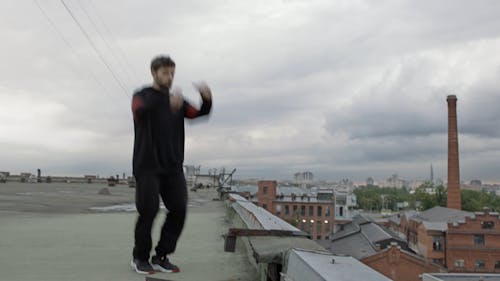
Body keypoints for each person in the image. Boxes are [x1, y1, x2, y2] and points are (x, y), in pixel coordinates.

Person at [130, 55, 212, 274]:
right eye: (165, 73)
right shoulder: (142, 96)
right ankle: (140, 257)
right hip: (147, 166)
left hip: (172, 167)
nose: (170, 77)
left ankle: (161, 255)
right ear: (154, 73)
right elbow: (139, 111)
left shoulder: (177, 100)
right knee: (149, 211)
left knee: (179, 209)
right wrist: (164, 101)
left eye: (172, 73)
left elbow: (197, 113)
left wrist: (207, 100)